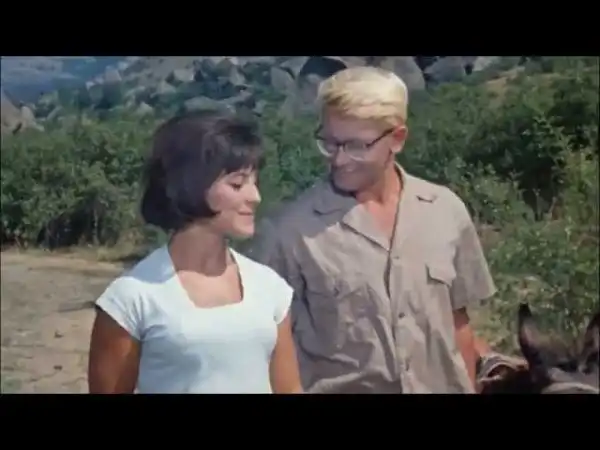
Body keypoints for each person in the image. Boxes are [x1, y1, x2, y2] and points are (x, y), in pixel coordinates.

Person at [247, 66, 509, 394]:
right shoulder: (289, 233)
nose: (339, 160)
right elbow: (267, 349)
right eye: (330, 143)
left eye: (357, 146)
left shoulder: (445, 211)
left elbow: (458, 324)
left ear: (397, 139)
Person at [87, 110, 303, 394]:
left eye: (255, 182)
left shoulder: (270, 288)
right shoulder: (132, 299)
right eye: (237, 184)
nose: (255, 197)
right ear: (191, 185)